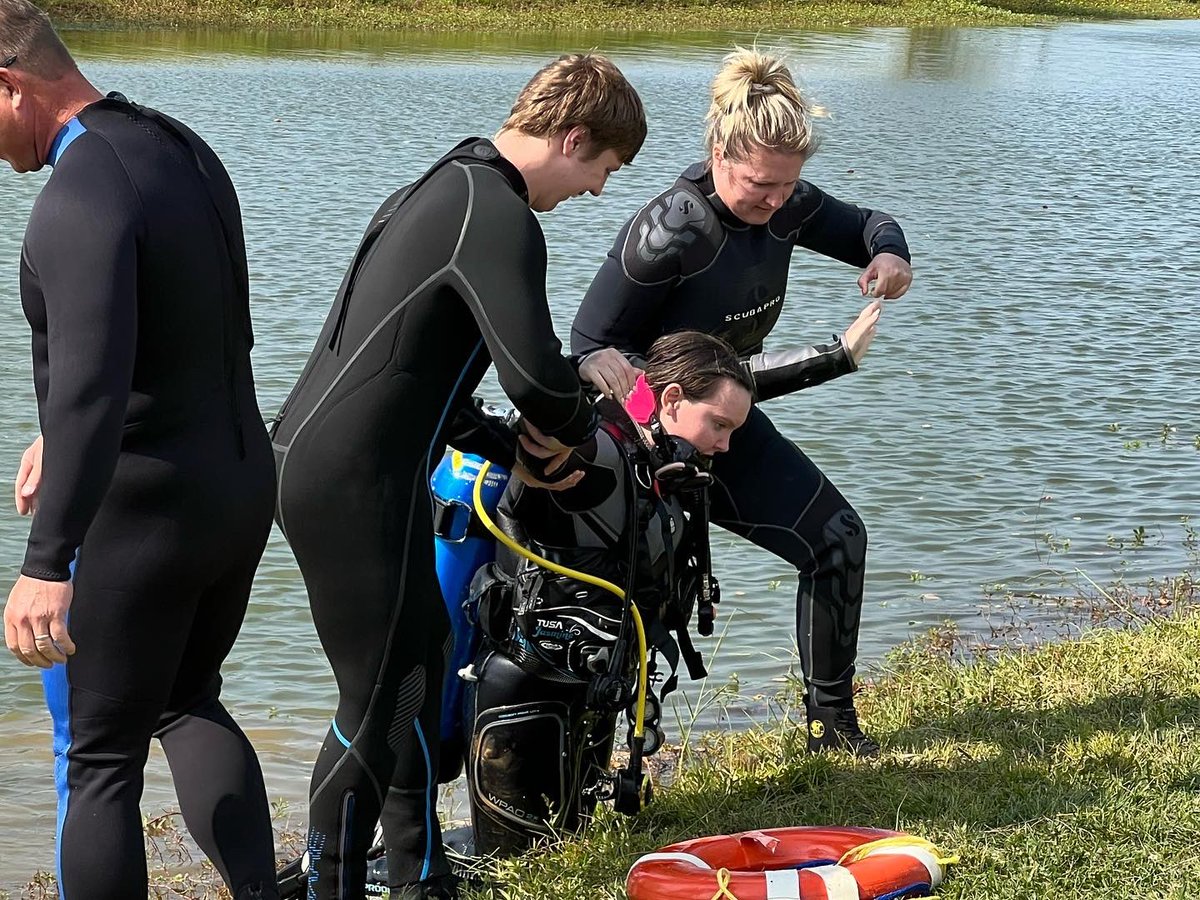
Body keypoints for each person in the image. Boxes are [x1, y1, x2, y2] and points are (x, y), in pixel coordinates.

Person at [269, 54, 646, 900]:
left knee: (420, 666)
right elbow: (536, 377)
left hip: (337, 461)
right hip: (352, 480)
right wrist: (578, 437)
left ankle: (420, 877)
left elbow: (421, 373)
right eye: (603, 171)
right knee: (378, 698)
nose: (597, 192)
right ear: (573, 136)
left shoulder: (444, 187)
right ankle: (327, 885)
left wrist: (515, 451)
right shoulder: (497, 213)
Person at [0, 4, 279, 898]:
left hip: (146, 513)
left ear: (9, 88)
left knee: (100, 764)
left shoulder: (76, 196)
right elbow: (179, 328)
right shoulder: (177, 147)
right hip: (236, 487)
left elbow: (89, 388)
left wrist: (47, 563)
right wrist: (58, 429)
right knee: (186, 700)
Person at [570, 47, 913, 757]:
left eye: (788, 187)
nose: (775, 201)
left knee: (838, 540)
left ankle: (833, 730)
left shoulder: (786, 208)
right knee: (637, 605)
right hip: (644, 438)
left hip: (725, 419)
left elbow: (869, 225)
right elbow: (588, 345)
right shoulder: (671, 231)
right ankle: (586, 763)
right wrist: (662, 420)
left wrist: (890, 257)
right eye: (761, 185)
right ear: (721, 152)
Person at [462, 330, 754, 857]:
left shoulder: (654, 457)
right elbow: (539, 420)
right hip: (525, 698)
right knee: (519, 863)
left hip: (589, 690)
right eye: (720, 424)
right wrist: (576, 368)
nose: (726, 444)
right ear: (669, 400)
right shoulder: (594, 451)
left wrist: (840, 356)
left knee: (568, 839)